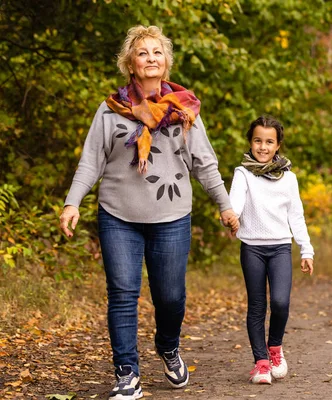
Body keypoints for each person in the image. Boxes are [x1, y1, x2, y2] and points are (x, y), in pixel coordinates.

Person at [59, 25, 238, 400]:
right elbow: (90, 162)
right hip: (117, 215)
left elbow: (204, 163)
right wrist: (72, 202)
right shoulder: (110, 111)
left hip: (171, 217)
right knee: (123, 293)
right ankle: (127, 372)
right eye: (143, 53)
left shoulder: (185, 110)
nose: (151, 58)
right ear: (130, 64)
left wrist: (225, 205)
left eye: (157, 52)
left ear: (166, 63)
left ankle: (168, 346)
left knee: (170, 297)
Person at [229, 115, 314, 384]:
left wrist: (306, 249)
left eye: (269, 142)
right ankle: (261, 363)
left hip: (279, 248)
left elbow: (296, 216)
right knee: (256, 306)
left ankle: (275, 347)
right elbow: (236, 203)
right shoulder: (242, 173)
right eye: (257, 141)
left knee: (280, 302)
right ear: (251, 142)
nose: (262, 147)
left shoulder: (289, 179)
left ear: (277, 145)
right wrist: (232, 217)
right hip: (252, 248)